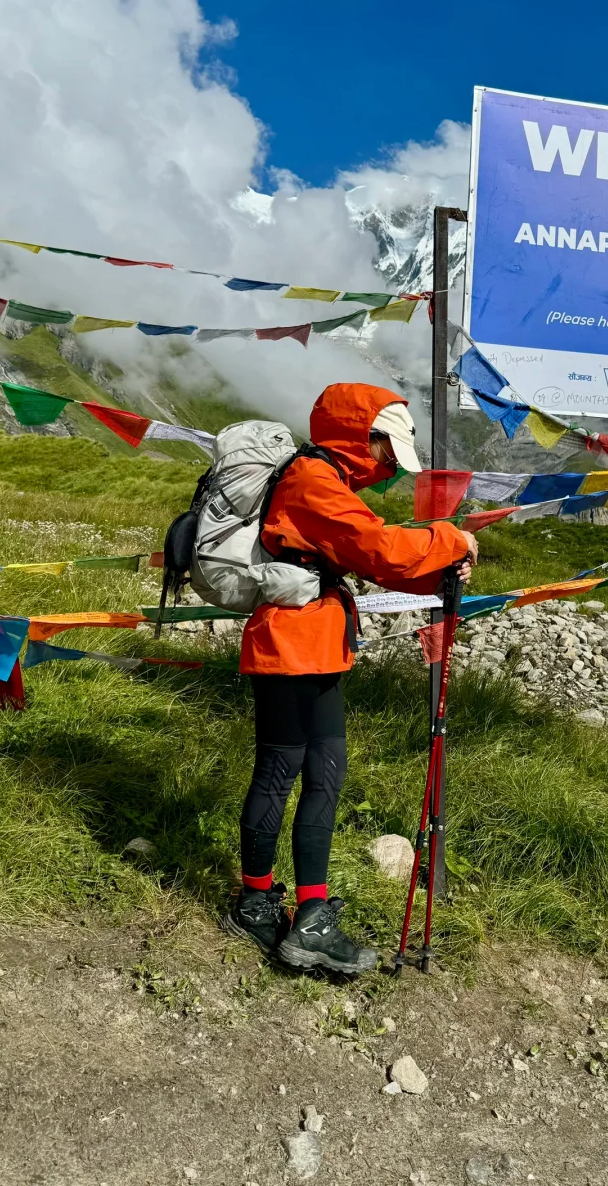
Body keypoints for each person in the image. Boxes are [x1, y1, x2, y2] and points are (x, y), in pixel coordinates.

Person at [226, 383, 477, 974]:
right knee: (280, 769)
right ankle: (256, 902)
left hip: (320, 644)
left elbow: (363, 558)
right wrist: (453, 539)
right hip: (287, 645)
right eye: (388, 453)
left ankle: (311, 917)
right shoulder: (312, 481)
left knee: (325, 773)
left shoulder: (331, 486)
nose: (391, 469)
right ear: (360, 436)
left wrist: (439, 570)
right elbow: (381, 549)